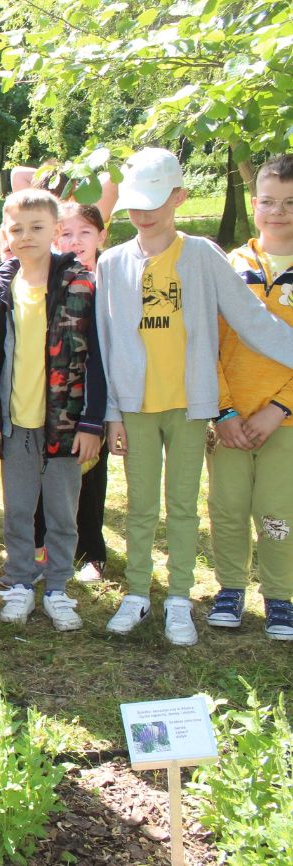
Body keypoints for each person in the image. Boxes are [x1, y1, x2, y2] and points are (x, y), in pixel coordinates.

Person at [95, 147, 293, 646]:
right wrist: (112, 413)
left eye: (155, 200)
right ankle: (137, 593)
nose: (143, 213)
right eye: (134, 203)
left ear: (179, 197)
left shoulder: (203, 255)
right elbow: (106, 342)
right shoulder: (111, 263)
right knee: (140, 506)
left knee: (182, 506)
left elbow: (250, 321)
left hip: (189, 406)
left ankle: (179, 597)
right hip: (135, 408)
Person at [0, 189, 105, 630]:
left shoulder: (80, 285)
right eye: (17, 228)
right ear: (6, 234)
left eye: (37, 227)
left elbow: (97, 358)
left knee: (62, 512)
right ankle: (18, 583)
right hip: (15, 423)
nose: (26, 236)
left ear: (55, 231)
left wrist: (91, 421)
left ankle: (59, 587)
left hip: (65, 422)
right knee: (17, 509)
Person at [210, 154, 293, 640]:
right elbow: (207, 344)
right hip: (231, 422)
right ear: (254, 202)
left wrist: (279, 408)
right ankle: (230, 588)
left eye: (289, 203)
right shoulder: (230, 266)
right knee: (226, 506)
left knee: (278, 511)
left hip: (283, 422)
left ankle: (280, 594)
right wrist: (224, 410)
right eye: (267, 201)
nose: (277, 211)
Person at [32, 203, 112, 582]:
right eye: (66, 233)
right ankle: (42, 547)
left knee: (90, 475)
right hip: (46, 398)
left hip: (91, 398)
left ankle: (92, 551)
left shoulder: (107, 280)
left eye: (85, 233)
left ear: (101, 236)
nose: (75, 241)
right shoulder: (43, 277)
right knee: (42, 473)